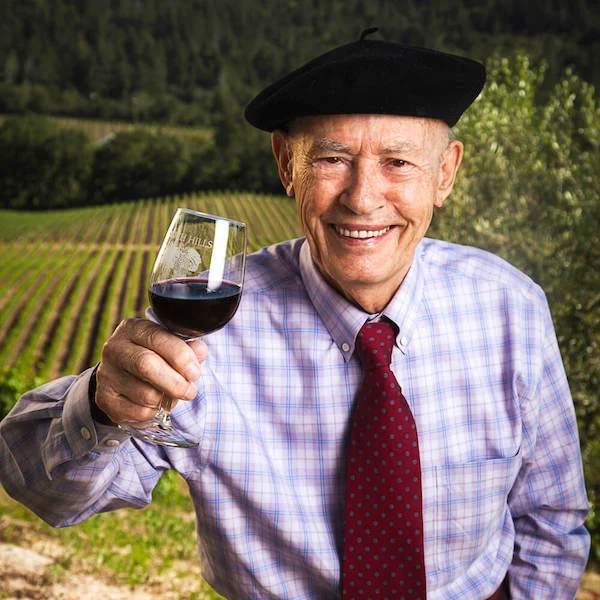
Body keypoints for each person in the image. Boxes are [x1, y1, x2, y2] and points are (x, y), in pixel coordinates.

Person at [0, 30, 590, 600]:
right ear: (286, 164)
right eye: (332, 158)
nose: (362, 197)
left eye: (398, 163)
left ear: (445, 173)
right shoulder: (210, 330)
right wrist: (104, 403)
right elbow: (46, 493)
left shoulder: (511, 307)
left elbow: (552, 521)